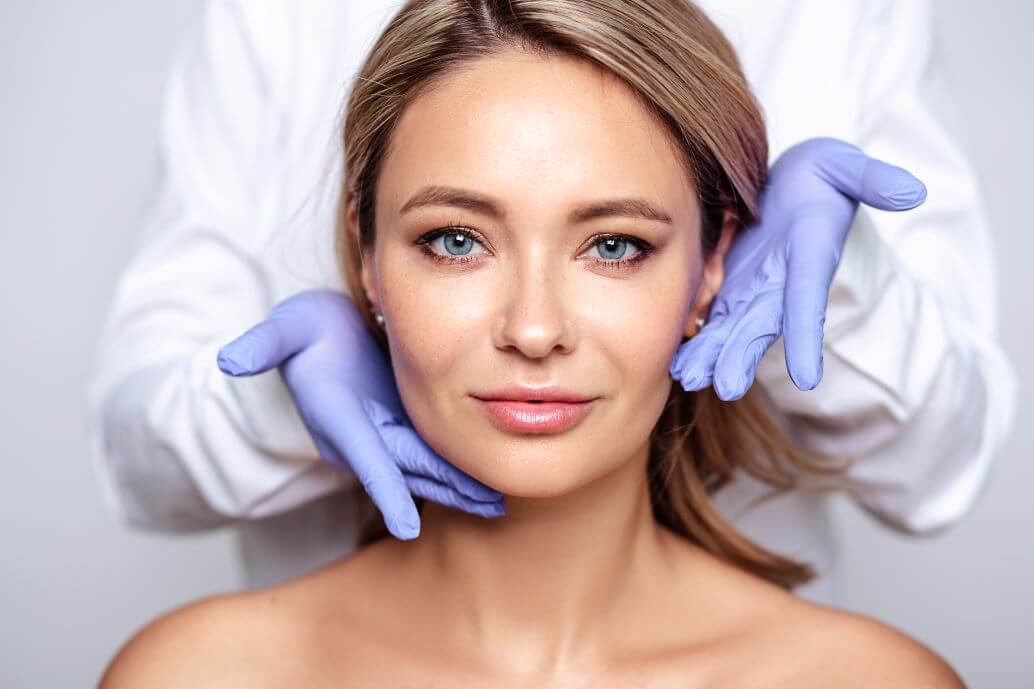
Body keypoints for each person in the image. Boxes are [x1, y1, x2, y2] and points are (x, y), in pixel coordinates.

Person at [99, 3, 967, 684]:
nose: (533, 329)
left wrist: (846, 286)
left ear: (718, 265)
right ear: (365, 256)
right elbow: (135, 451)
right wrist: (271, 401)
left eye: (616, 244)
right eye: (455, 239)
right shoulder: (195, 675)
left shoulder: (872, 680)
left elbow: (944, 468)